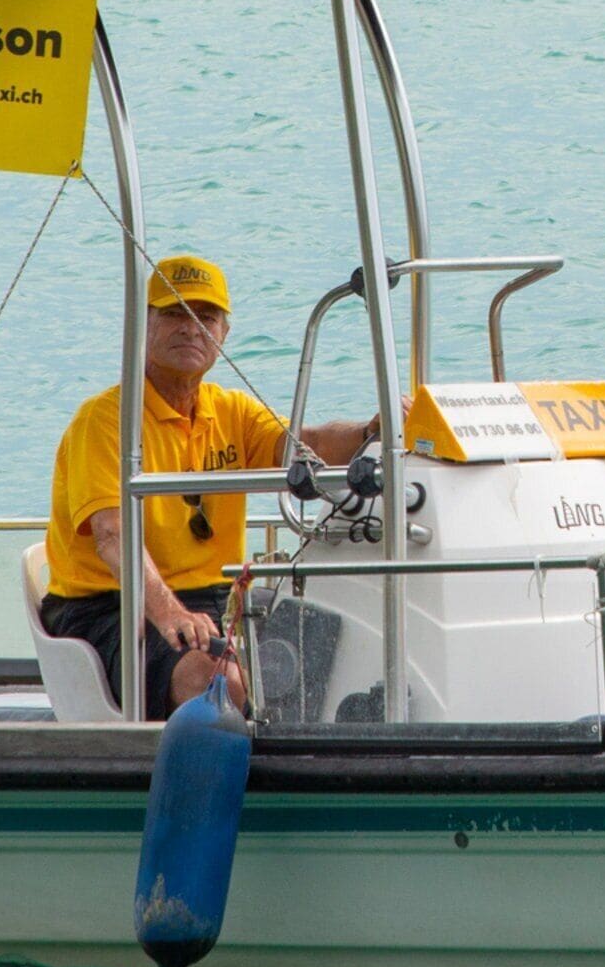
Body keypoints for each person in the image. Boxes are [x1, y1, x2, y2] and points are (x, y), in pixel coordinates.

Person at [41, 255, 377, 716]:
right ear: (143, 325)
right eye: (175, 313)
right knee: (212, 677)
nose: (191, 327)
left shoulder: (232, 411)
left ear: (223, 334)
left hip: (212, 599)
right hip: (110, 605)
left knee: (326, 644)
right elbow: (111, 536)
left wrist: (372, 432)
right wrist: (169, 614)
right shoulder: (104, 421)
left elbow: (309, 443)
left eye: (206, 316)